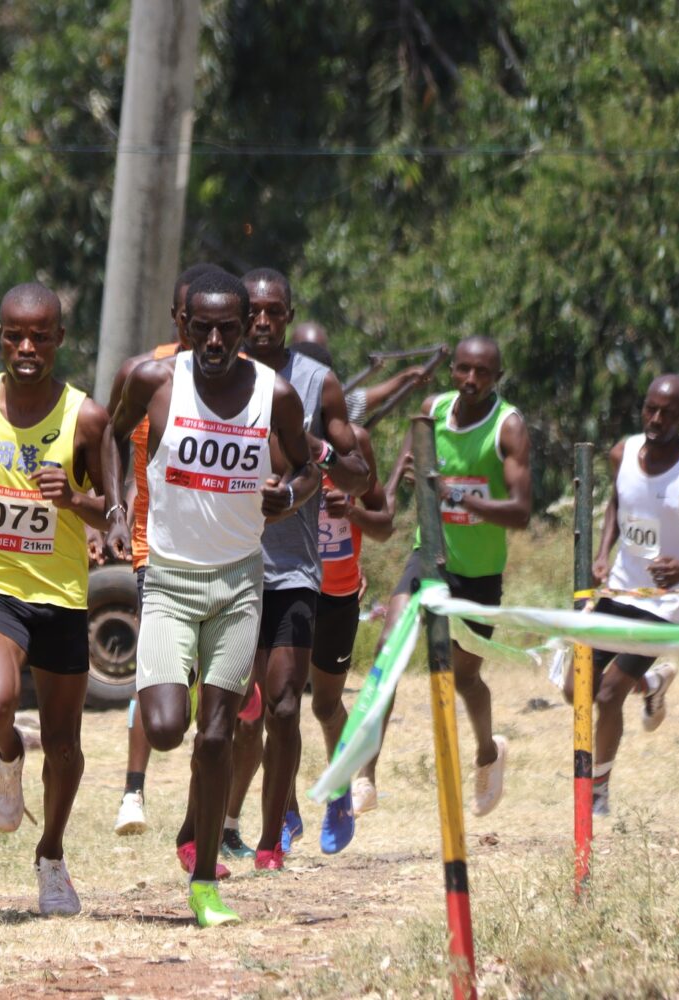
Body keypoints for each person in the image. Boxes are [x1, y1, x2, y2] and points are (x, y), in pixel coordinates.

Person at [105, 269, 320, 927]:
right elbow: (112, 435)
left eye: (231, 327)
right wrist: (118, 505)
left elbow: (311, 466)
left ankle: (204, 885)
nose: (219, 339)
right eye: (205, 327)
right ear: (185, 327)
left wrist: (291, 495)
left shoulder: (274, 394)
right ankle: (193, 684)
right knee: (168, 727)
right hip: (169, 580)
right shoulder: (153, 382)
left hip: (238, 583)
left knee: (219, 734)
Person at [0, 282, 116, 917]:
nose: (27, 347)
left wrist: (73, 500)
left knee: (65, 743)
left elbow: (113, 516)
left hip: (62, 594)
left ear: (59, 341)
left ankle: (52, 857)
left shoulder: (85, 418)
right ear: (0, 338)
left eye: (40, 336)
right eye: (16, 334)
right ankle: (8, 753)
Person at [353, 336, 531, 818]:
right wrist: (375, 504)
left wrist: (460, 497)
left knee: (464, 676)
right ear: (452, 370)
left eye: (482, 373)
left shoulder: (507, 427)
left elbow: (520, 512)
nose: (471, 381)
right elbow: (391, 496)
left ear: (497, 376)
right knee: (388, 652)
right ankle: (366, 773)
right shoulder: (431, 411)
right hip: (427, 558)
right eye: (463, 370)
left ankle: (488, 754)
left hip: (479, 573)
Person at [230, 268, 369, 869]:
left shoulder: (318, 383)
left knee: (288, 702)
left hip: (291, 569)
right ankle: (276, 806)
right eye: (254, 311)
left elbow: (357, 470)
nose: (263, 321)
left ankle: (274, 834)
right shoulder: (212, 375)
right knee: (248, 707)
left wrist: (325, 458)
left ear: (288, 316)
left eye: (274, 312)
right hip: (228, 564)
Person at [575, 374, 679, 815]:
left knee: (610, 694)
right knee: (579, 687)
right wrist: (601, 552)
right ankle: (651, 683)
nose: (655, 418)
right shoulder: (623, 452)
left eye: (667, 413)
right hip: (619, 587)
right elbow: (618, 500)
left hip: (665, 602)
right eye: (650, 408)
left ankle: (599, 790)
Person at [108, 262, 219, 837]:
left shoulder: (234, 377)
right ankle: (133, 791)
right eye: (187, 316)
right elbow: (125, 445)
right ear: (178, 316)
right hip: (157, 546)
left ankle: (200, 820)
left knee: (211, 688)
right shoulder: (150, 373)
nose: (197, 328)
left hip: (220, 553)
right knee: (155, 674)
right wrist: (118, 511)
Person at [311, 422, 393, 853]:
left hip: (339, 595)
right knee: (276, 702)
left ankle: (340, 787)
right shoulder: (269, 430)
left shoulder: (354, 444)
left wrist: (352, 512)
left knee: (325, 705)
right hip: (284, 587)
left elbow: (384, 525)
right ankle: (281, 817)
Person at [290, 322, 434, 426]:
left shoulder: (330, 396)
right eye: (305, 357)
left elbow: (362, 399)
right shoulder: (277, 391)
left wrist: (406, 377)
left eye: (317, 358)